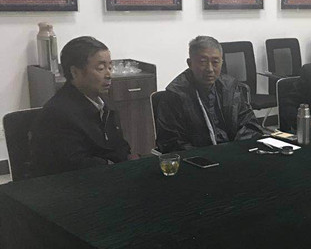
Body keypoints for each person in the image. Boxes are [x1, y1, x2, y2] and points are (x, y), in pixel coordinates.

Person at [31, 36, 133, 176]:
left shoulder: (104, 103)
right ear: (75, 72)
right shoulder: (58, 114)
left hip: (110, 175)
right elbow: (76, 164)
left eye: (110, 67)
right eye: (101, 68)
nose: (109, 74)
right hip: (77, 182)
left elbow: (120, 145)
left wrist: (129, 160)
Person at [155, 36, 264, 152]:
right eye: (203, 62)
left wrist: (233, 150)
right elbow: (170, 141)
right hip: (198, 157)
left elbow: (251, 126)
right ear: (190, 63)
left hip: (232, 153)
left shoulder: (230, 87)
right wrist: (206, 155)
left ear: (222, 62)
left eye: (215, 62)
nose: (210, 69)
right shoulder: (175, 94)